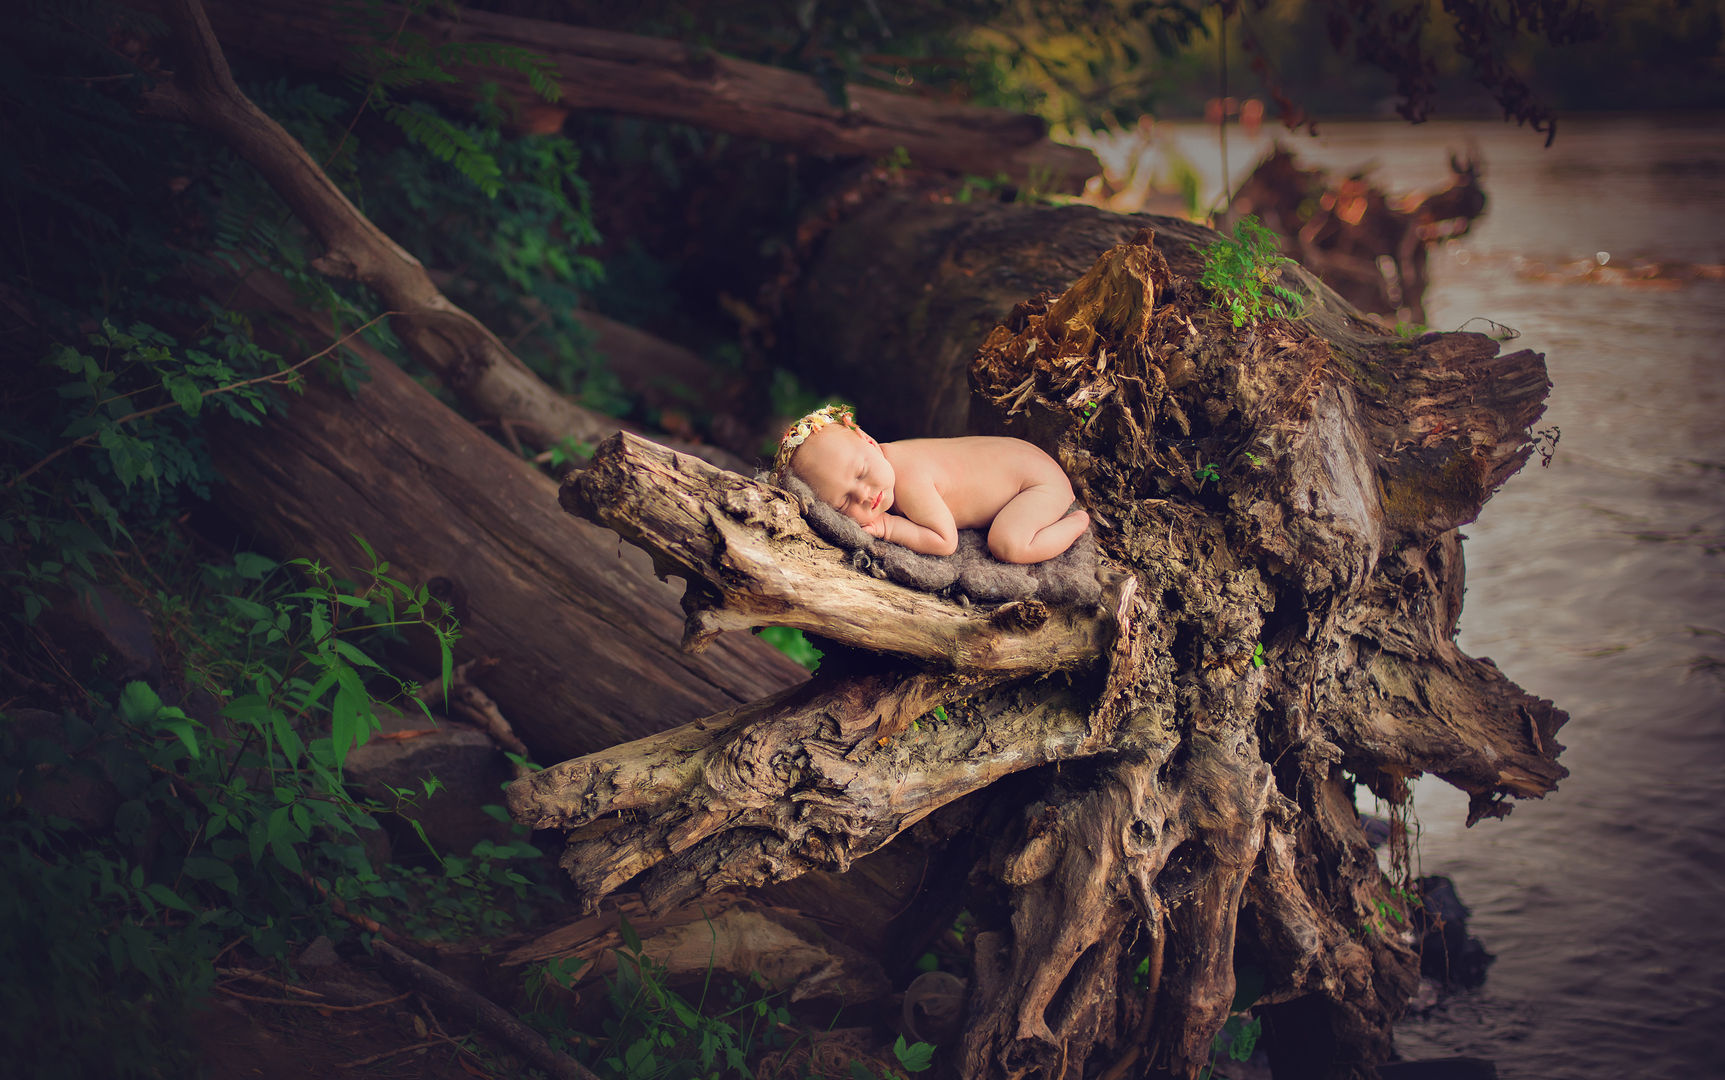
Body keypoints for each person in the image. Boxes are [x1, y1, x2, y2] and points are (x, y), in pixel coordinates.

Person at [775, 405, 1090, 565]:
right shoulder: (886, 457)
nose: (864, 495)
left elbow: (944, 540)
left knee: (1007, 544)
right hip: (1023, 461)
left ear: (869, 441)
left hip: (1037, 484)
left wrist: (888, 527)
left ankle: (1076, 522)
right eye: (844, 502)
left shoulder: (910, 478)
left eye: (861, 473)